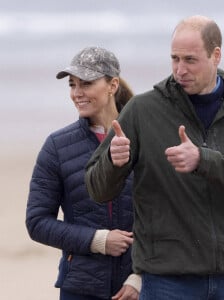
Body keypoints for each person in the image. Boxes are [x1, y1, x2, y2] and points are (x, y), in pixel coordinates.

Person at [85, 15, 224, 300]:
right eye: (174, 59)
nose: (180, 70)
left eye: (190, 60)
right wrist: (113, 161)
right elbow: (98, 189)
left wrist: (203, 160)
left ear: (216, 55)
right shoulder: (142, 110)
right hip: (166, 281)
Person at [26, 46, 141, 300]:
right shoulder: (57, 146)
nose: (77, 93)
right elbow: (37, 222)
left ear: (112, 85)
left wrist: (140, 277)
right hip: (80, 288)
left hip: (138, 287)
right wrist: (97, 240)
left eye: (86, 83)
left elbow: (165, 216)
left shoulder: (144, 139)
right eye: (72, 85)